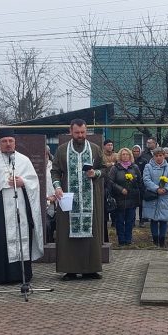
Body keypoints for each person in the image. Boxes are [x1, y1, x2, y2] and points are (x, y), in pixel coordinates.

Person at [0, 129, 43, 284]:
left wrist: (23, 182)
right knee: (0, 240)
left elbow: (34, 182)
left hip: (21, 207)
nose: (8, 144)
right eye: (4, 141)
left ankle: (23, 274)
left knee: (22, 237)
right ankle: (2, 275)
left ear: (15, 142)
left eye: (11, 141)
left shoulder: (24, 160)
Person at [45, 120, 105, 280]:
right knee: (66, 233)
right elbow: (55, 171)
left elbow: (104, 168)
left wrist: (96, 174)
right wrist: (57, 187)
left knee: (91, 233)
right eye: (77, 132)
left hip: (90, 198)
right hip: (68, 198)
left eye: (83, 132)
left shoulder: (95, 149)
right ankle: (69, 269)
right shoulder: (62, 150)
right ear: (70, 131)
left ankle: (91, 268)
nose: (80, 135)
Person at [142, 148, 168, 247]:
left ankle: (162, 241)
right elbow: (146, 180)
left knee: (163, 219)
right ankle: (155, 240)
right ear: (153, 156)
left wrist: (166, 189)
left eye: (160, 155)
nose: (158, 158)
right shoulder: (148, 167)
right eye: (156, 156)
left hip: (165, 197)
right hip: (153, 196)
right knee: (153, 219)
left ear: (164, 156)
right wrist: (156, 189)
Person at [108, 148, 142, 246]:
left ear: (130, 156)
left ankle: (128, 239)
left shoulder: (134, 167)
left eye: (127, 154)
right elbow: (110, 181)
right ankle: (121, 240)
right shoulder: (115, 168)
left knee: (130, 220)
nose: (125, 156)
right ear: (120, 156)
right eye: (123, 154)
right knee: (119, 220)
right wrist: (120, 189)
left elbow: (139, 181)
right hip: (119, 198)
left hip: (132, 198)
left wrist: (133, 188)